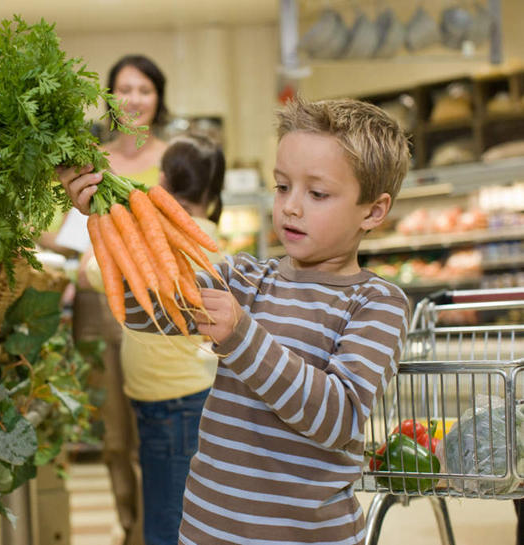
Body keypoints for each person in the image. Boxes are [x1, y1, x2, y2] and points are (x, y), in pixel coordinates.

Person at [58, 96, 412, 545]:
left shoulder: (376, 303)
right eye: (282, 186)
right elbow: (144, 312)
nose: (291, 207)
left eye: (317, 193)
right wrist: (107, 216)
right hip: (207, 531)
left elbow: (336, 418)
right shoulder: (244, 278)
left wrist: (242, 336)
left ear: (374, 211)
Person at [84, 134, 225, 545]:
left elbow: (92, 273)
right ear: (213, 193)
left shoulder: (152, 236)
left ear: (161, 181)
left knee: (167, 519)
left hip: (171, 403)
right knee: (178, 502)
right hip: (187, 393)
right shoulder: (212, 240)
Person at [72, 53, 169, 545]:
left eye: (144, 89)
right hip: (97, 303)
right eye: (124, 89)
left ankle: (157, 530)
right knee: (113, 437)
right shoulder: (90, 160)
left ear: (159, 98)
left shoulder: (173, 159)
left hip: (157, 303)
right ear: (109, 98)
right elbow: (51, 228)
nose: (134, 99)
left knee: (154, 430)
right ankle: (131, 529)